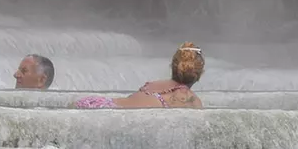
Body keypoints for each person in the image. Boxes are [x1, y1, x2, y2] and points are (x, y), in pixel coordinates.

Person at [75, 43, 205, 109]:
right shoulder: (196, 103)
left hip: (98, 106)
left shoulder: (153, 86)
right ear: (199, 73)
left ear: (173, 66)